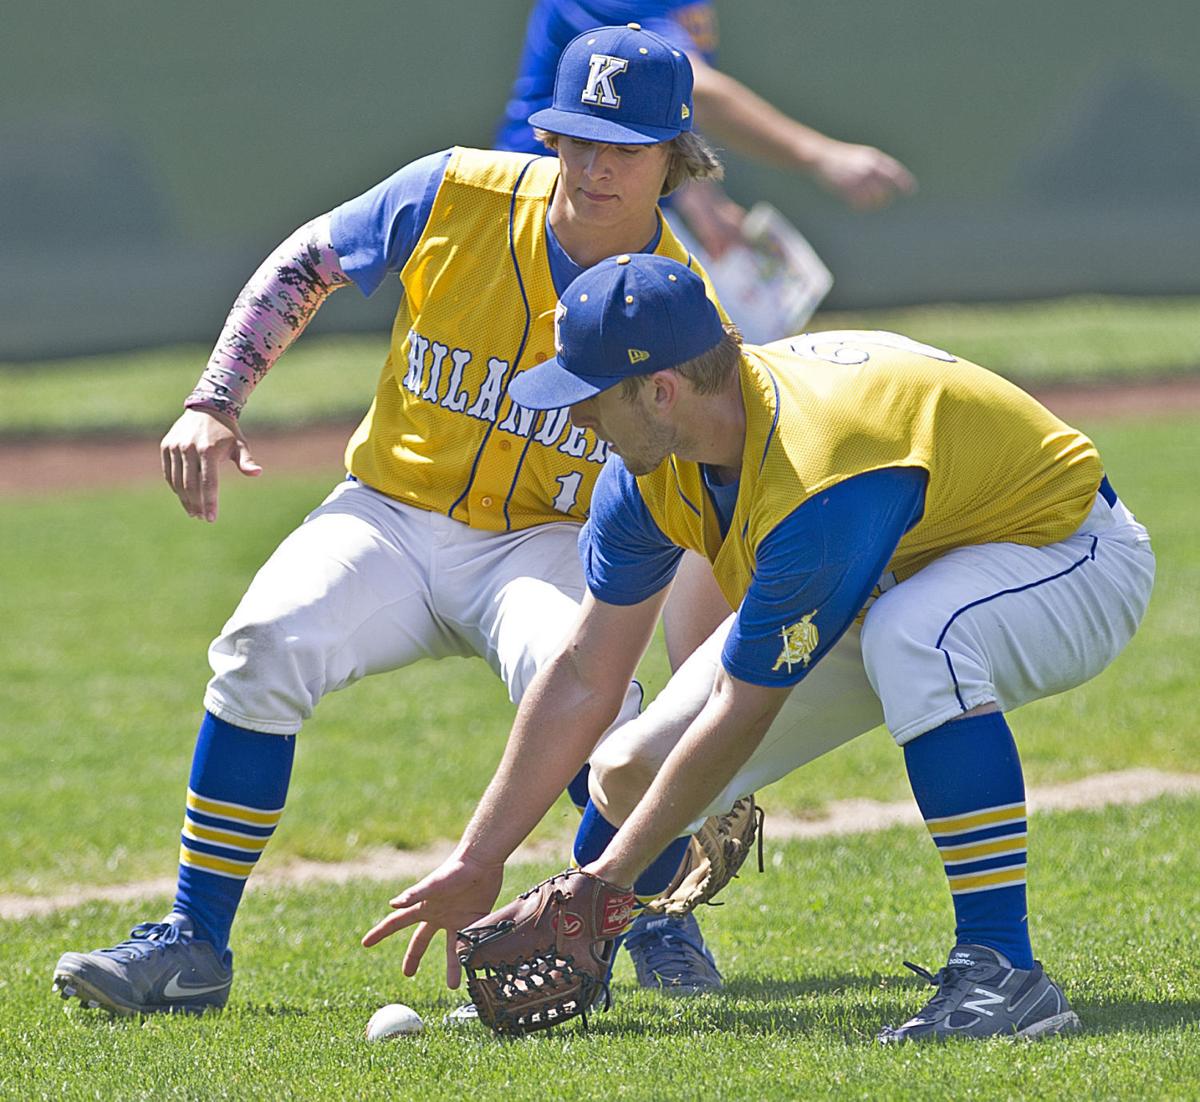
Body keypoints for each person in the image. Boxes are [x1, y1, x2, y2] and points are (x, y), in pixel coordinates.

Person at [51, 25, 735, 1017]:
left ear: (674, 155)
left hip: (548, 542)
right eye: (577, 137)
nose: (592, 165)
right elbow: (308, 262)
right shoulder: (453, 193)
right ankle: (192, 940)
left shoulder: (678, 298)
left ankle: (659, 913)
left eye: (622, 146)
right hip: (391, 515)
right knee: (262, 641)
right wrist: (214, 398)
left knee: (608, 708)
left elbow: (704, 471)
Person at [362, 253, 1155, 1042]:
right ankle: (590, 960)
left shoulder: (818, 470)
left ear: (663, 391)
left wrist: (604, 882)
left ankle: (1004, 972)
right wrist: (481, 856)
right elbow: (581, 674)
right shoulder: (650, 471)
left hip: (1063, 551)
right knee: (628, 769)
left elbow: (745, 706)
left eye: (589, 396)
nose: (575, 419)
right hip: (889, 562)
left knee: (918, 635)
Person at [496, 1, 916, 338]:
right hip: (557, 198)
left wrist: (693, 191)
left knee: (721, 355)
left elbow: (657, 100)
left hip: (625, 196)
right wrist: (821, 154)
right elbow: (698, 86)